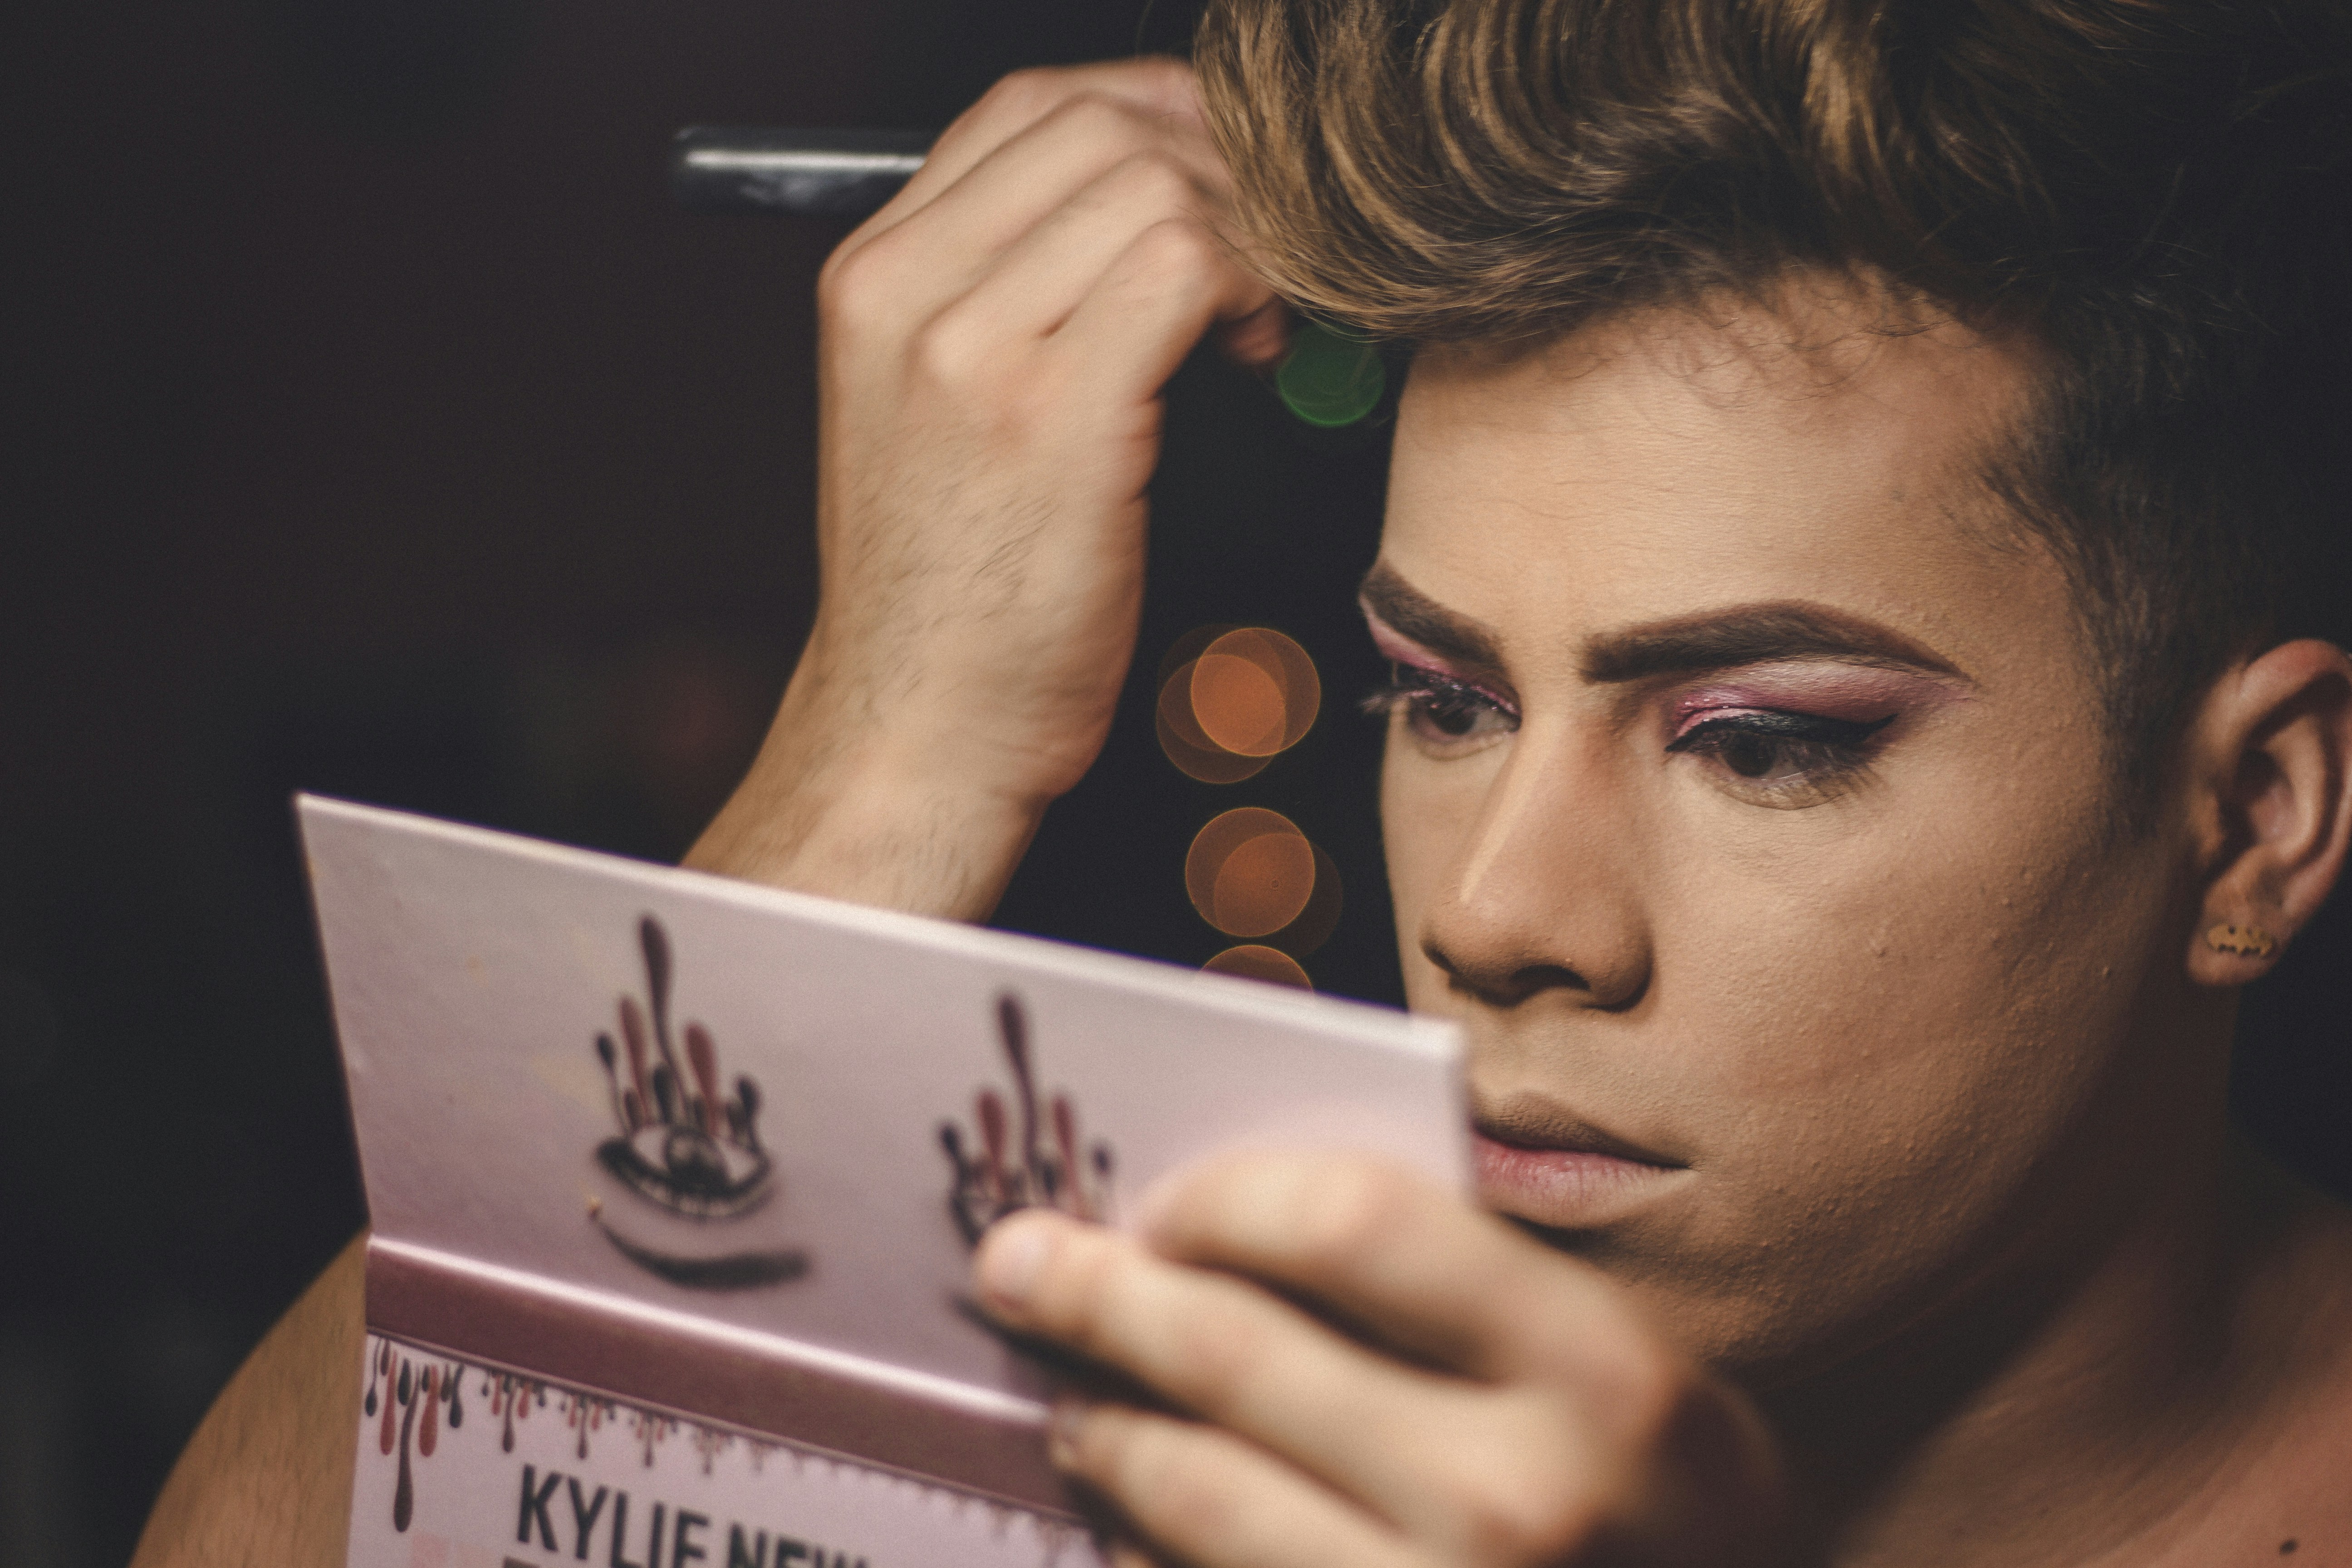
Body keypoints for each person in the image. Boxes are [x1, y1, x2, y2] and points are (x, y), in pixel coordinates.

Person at [136, 1, 2352, 1564]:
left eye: (1761, 741)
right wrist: (875, 769)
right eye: (1447, 699)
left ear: (2255, 819)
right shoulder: (1167, 1414)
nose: (1499, 915)